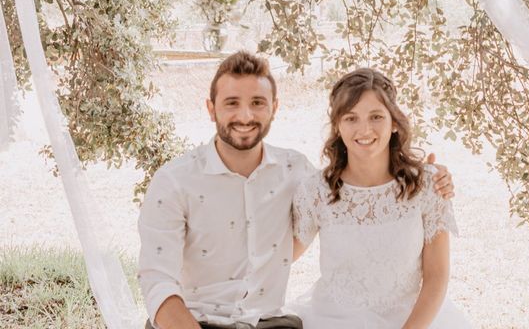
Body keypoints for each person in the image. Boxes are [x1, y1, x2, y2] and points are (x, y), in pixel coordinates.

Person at [138, 51, 456, 329]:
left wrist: (432, 176)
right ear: (211, 109)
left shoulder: (297, 173)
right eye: (232, 103)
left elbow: (434, 273)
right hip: (197, 321)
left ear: (274, 107)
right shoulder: (175, 181)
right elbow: (157, 283)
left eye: (257, 103)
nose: (245, 116)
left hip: (275, 324)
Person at [291, 68, 471, 328]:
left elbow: (437, 276)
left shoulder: (428, 185)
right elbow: (279, 259)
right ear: (338, 127)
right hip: (331, 319)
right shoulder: (316, 191)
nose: (364, 129)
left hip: (413, 321)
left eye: (376, 116)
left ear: (394, 122)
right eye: (351, 118)